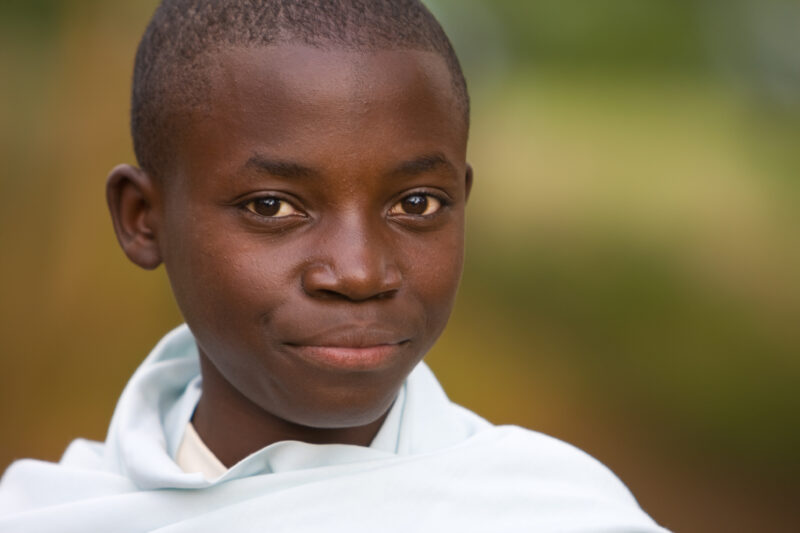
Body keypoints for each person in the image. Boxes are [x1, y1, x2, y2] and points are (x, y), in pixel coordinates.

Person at [0, 1, 668, 531]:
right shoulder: (47, 514)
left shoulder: (556, 513)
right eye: (272, 205)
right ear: (142, 217)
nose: (358, 272)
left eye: (416, 202)